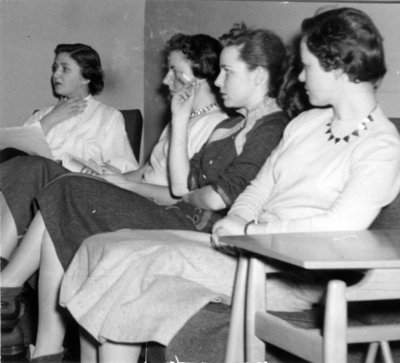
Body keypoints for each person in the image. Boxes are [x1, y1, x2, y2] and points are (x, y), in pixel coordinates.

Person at [61, 7, 400, 363]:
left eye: (308, 66)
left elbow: (339, 228)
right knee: (112, 249)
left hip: (297, 278)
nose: (299, 77)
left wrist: (251, 232)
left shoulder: (381, 145)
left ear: (336, 67)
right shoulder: (308, 124)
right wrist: (238, 220)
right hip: (254, 251)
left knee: (140, 263)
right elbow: (260, 187)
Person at [0, 23, 307, 362]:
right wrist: (178, 119)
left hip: (196, 226)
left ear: (259, 77)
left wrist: (184, 193)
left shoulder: (272, 129)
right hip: (181, 213)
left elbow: (213, 198)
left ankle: (15, 300)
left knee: (67, 188)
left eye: (228, 72)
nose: (219, 82)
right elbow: (181, 186)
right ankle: (38, 337)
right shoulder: (228, 126)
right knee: (67, 198)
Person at [0, 43, 138, 268]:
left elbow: (124, 169)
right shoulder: (43, 114)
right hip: (29, 192)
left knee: (35, 166)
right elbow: (14, 155)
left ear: (86, 77)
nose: (55, 74)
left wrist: (90, 167)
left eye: (65, 69)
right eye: (55, 68)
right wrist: (51, 119)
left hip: (74, 193)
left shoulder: (107, 117)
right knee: (26, 166)